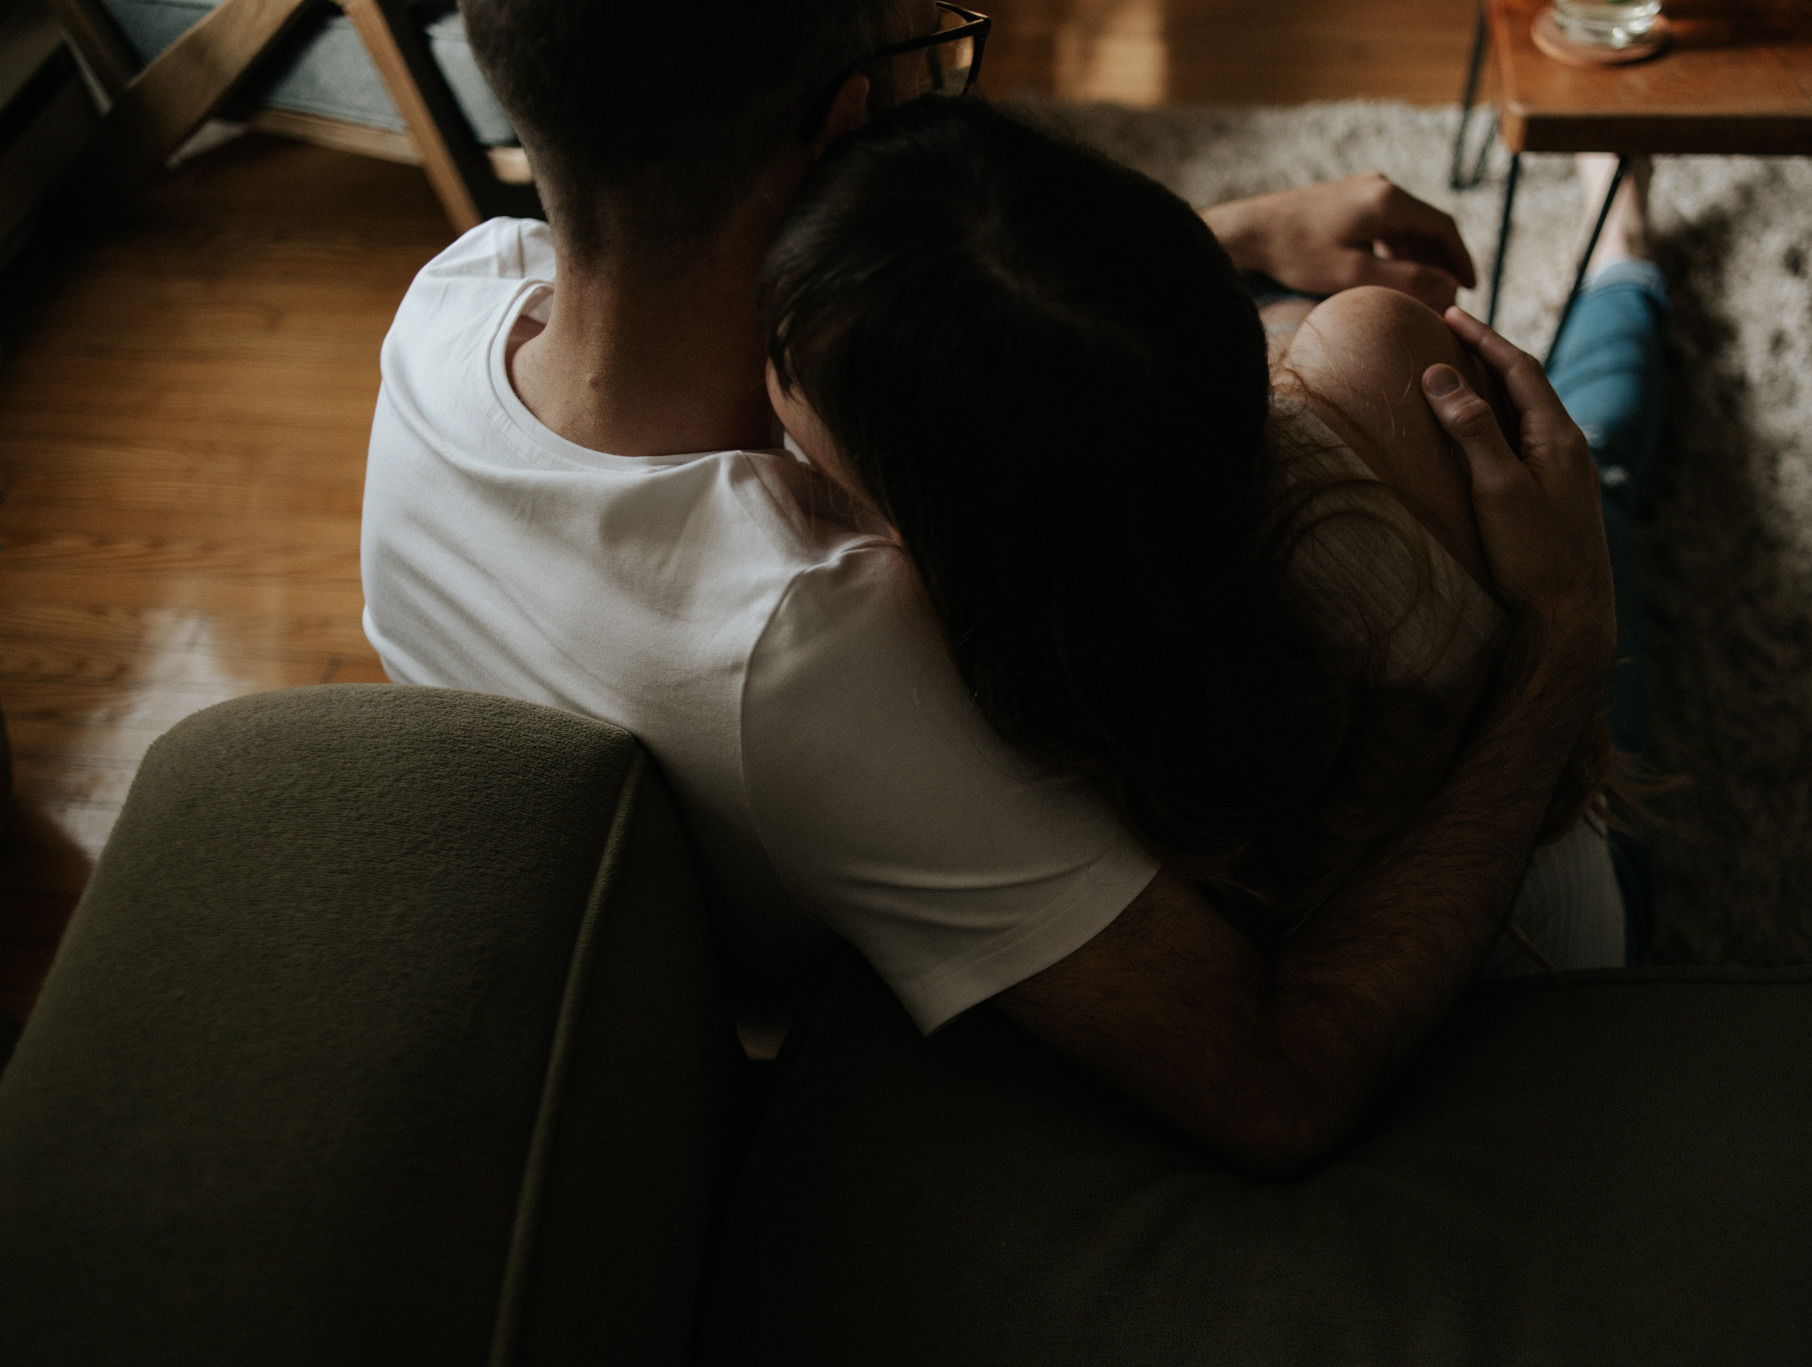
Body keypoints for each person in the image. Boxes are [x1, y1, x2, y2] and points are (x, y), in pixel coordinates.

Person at [359, 0, 1626, 1177]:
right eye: (938, 46)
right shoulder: (820, 637)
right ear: (848, 123)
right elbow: (1274, 1087)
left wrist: (1217, 235)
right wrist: (1565, 640)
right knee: (1570, 476)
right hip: (1468, 901)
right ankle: (1626, 270)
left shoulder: (452, 307)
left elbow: (917, 351)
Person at [754, 95, 1623, 962]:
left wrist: (1241, 236)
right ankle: (1624, 250)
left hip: (1484, 1008)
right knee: (1598, 470)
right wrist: (1570, 618)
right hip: (1571, 930)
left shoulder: (932, 670)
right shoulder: (1378, 354)